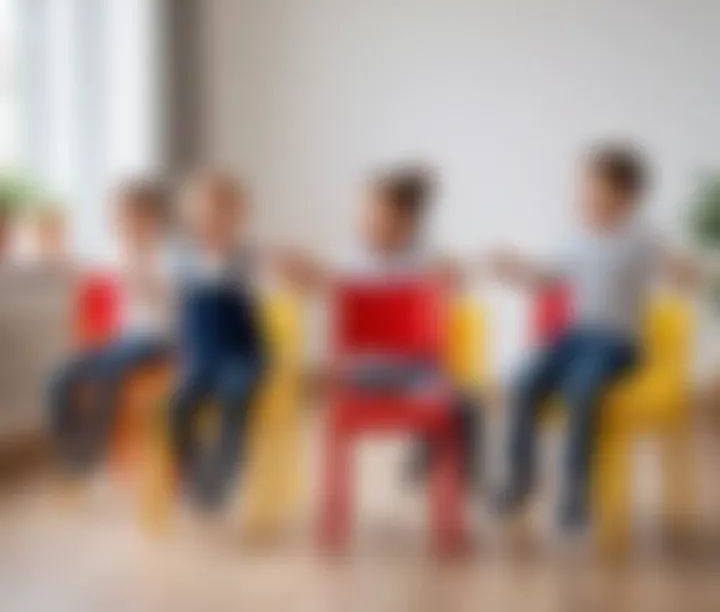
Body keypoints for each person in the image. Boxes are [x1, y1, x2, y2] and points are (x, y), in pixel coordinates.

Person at [488, 142, 696, 532]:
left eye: (594, 189)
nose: (584, 197)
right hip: (573, 338)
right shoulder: (575, 238)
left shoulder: (642, 238)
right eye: (584, 188)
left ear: (625, 196)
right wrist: (512, 269)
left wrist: (686, 272)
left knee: (582, 388)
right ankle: (521, 478)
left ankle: (574, 492)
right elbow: (542, 279)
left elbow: (677, 267)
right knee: (522, 379)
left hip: (617, 344)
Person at [283, 164, 483, 488]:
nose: (366, 222)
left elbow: (458, 279)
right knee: (436, 398)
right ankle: (425, 458)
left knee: (462, 404)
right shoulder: (353, 261)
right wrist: (302, 273)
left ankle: (451, 473)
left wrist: (452, 277)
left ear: (406, 223)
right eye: (364, 214)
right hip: (366, 373)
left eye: (377, 214)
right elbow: (321, 281)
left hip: (417, 374)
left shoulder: (425, 259)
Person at [48, 179, 172, 471]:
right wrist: (61, 258)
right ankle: (73, 452)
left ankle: (91, 455)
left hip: (158, 341)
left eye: (135, 218)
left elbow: (166, 304)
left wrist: (140, 270)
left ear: (153, 220)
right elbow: (85, 271)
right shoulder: (115, 253)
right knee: (59, 378)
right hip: (119, 342)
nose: (127, 225)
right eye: (122, 218)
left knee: (106, 373)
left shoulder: (168, 256)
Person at [169, 171, 267, 510]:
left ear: (238, 217)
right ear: (189, 216)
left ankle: (220, 481)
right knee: (177, 405)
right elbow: (182, 290)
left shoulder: (247, 254)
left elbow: (239, 277)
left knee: (234, 399)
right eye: (203, 213)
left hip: (241, 354)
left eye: (222, 212)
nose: (212, 220)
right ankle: (195, 475)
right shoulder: (182, 256)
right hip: (199, 358)